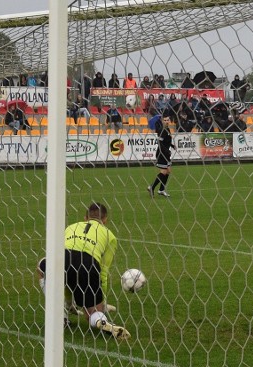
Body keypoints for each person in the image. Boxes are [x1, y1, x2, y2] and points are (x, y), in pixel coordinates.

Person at [38, 203, 130, 340]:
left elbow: (61, 258)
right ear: (105, 220)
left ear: (85, 217)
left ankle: (60, 315)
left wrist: (69, 301)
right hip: (88, 265)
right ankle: (101, 321)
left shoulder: (71, 227)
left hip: (62, 259)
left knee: (41, 267)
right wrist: (100, 299)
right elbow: (103, 271)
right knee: (91, 314)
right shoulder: (110, 236)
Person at [148, 116, 176, 198]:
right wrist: (166, 151)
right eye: (165, 120)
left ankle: (161, 190)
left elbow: (166, 141)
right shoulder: (162, 130)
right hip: (161, 153)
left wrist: (172, 145)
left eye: (168, 120)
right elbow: (160, 144)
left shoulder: (167, 129)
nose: (167, 121)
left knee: (168, 171)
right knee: (164, 172)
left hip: (166, 154)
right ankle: (152, 187)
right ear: (162, 121)